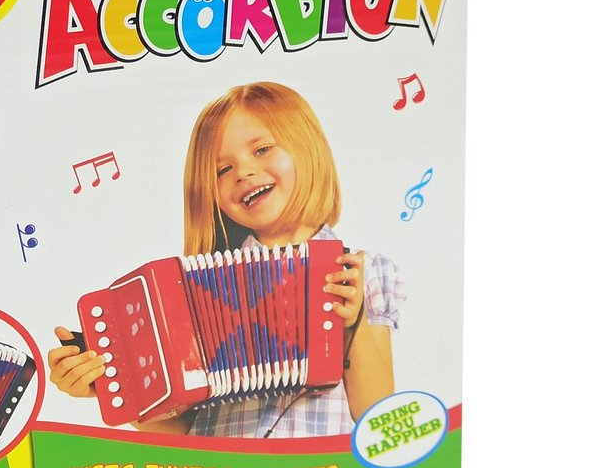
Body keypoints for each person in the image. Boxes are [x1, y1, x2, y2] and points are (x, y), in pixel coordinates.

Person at [48, 82, 404, 438]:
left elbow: (377, 416)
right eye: (222, 170)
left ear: (308, 148)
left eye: (262, 149)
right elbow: (182, 435)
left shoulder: (360, 270)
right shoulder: (195, 290)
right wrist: (110, 384)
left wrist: (353, 323)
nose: (243, 173)